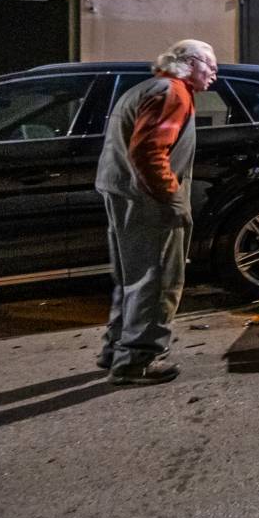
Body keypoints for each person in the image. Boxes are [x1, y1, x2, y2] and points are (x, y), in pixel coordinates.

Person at [95, 39, 218, 385]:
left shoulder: (148, 88)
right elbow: (149, 152)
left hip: (124, 194)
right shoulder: (172, 93)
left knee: (130, 278)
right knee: (158, 279)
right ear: (190, 63)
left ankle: (116, 349)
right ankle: (138, 360)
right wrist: (172, 197)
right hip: (149, 201)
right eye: (210, 66)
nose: (214, 75)